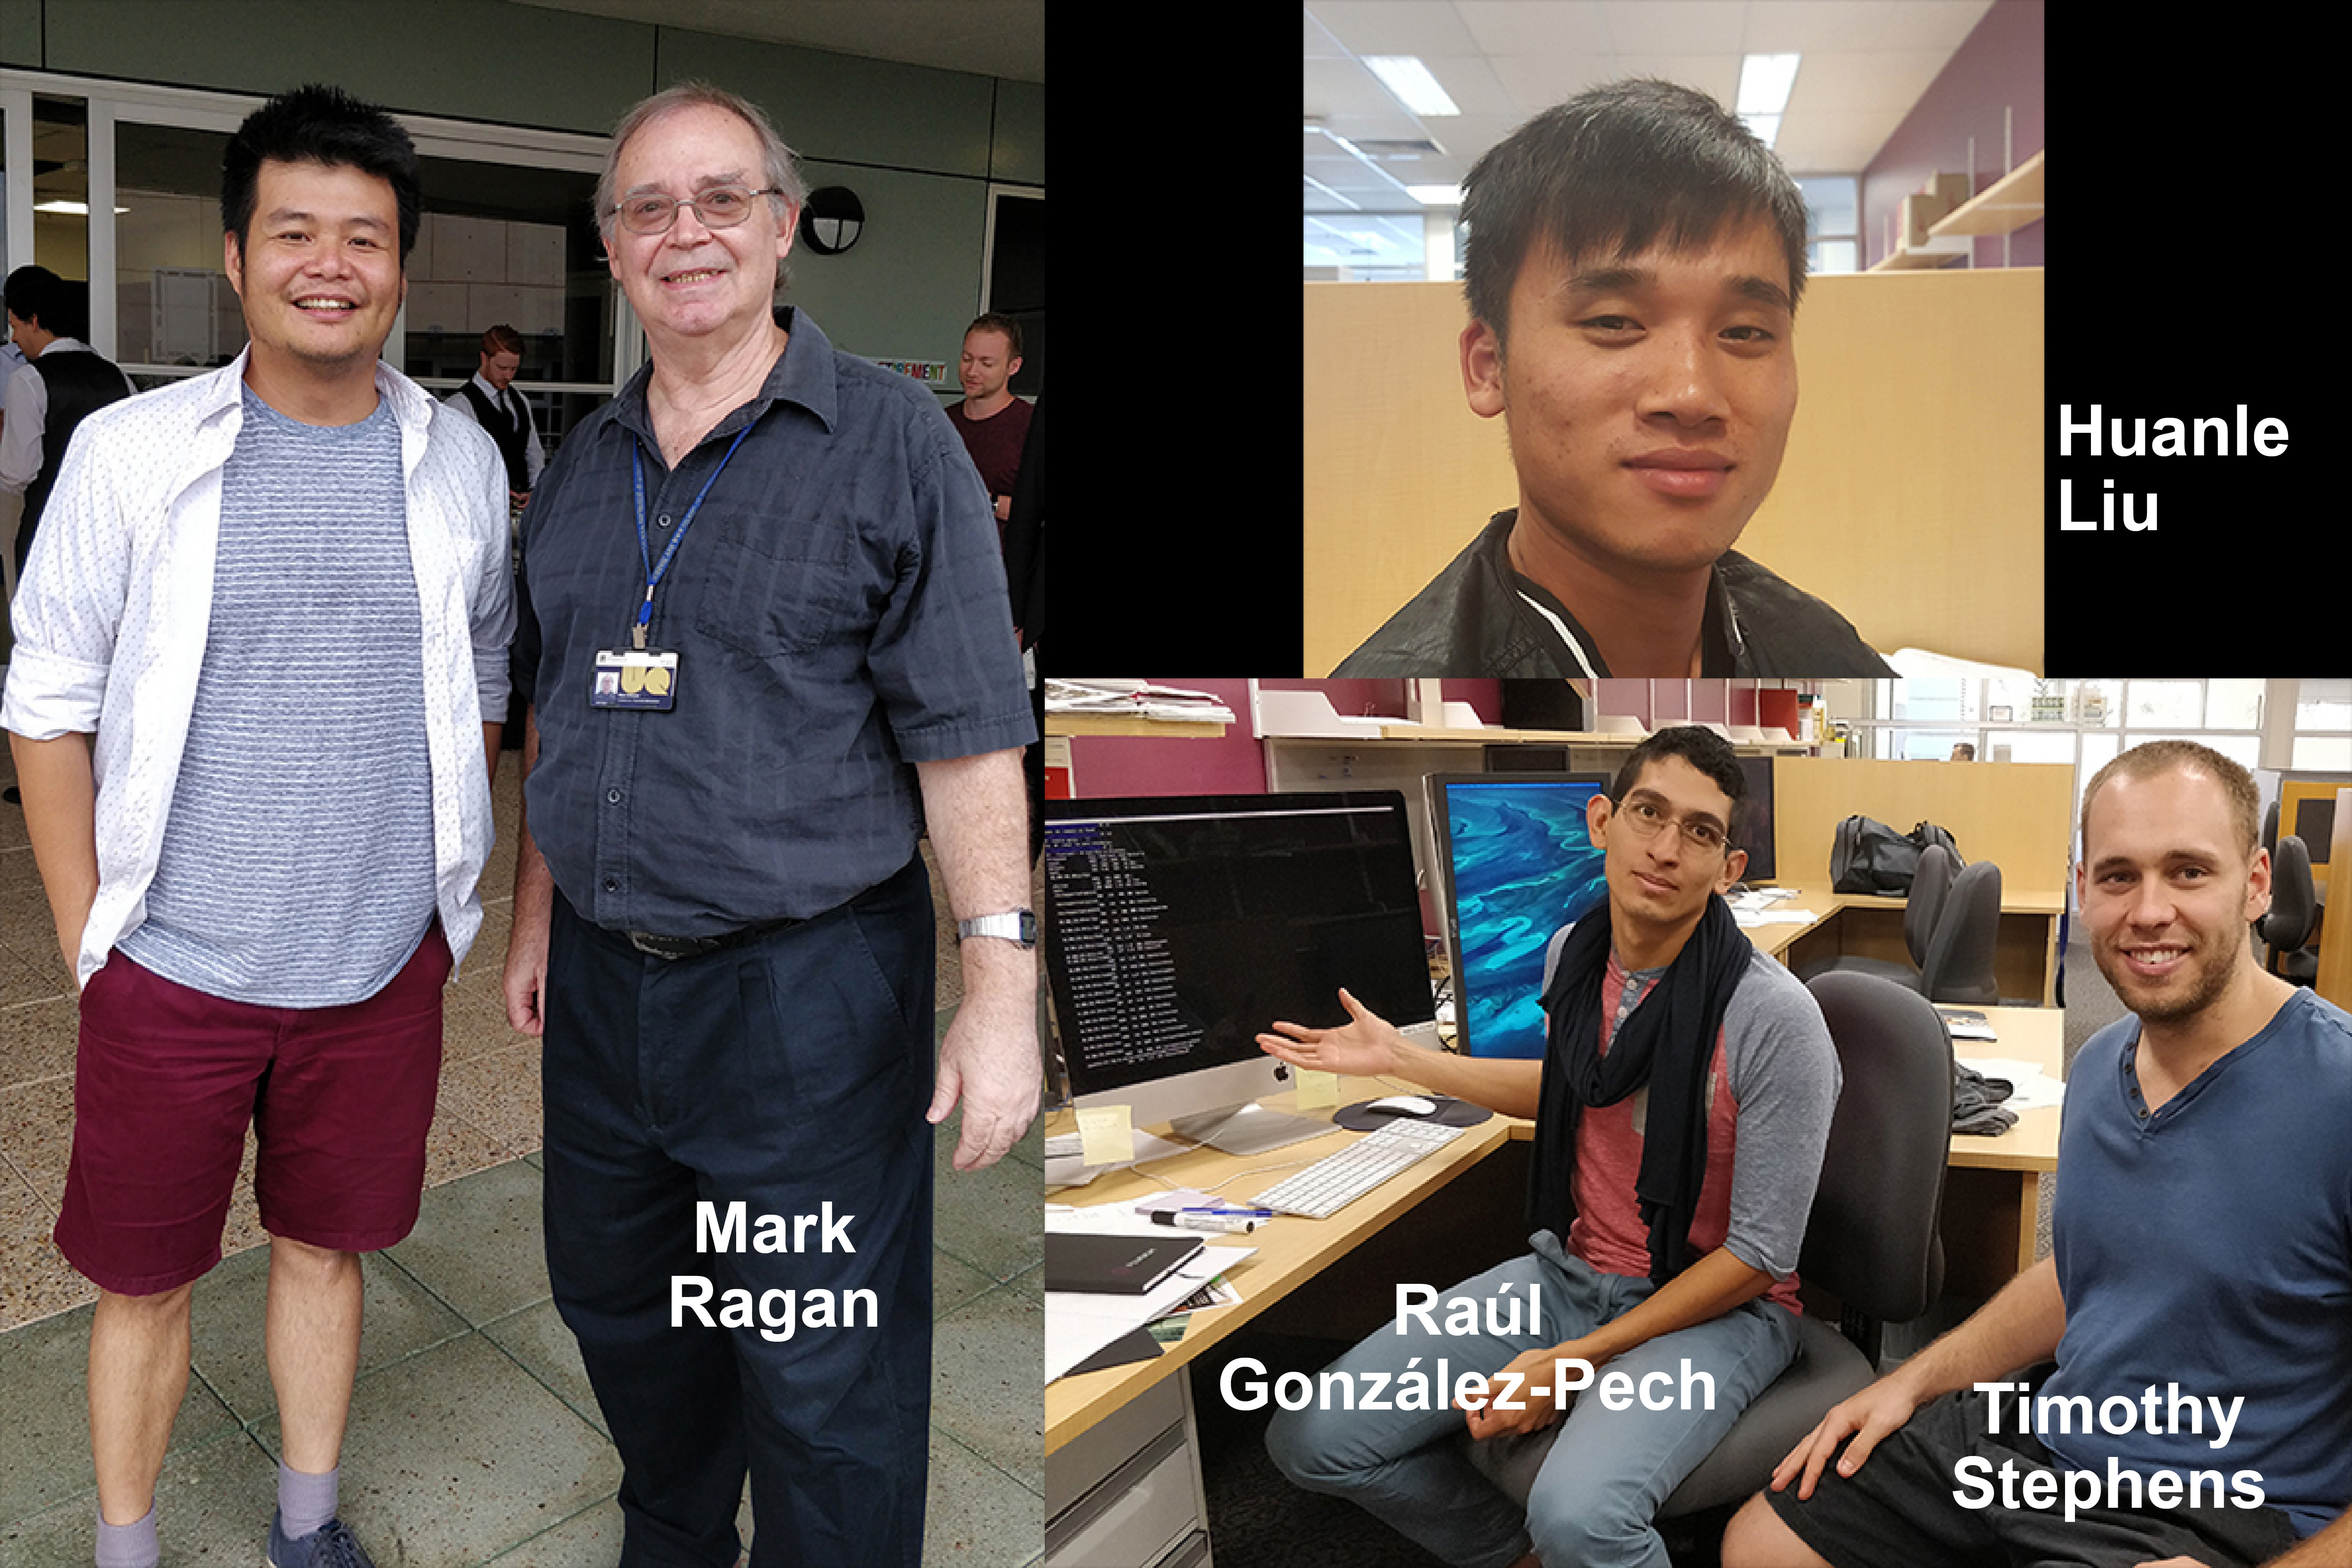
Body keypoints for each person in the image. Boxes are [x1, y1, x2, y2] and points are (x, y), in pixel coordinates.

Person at [500, 81, 1037, 1568]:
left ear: (783, 225)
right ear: (613, 248)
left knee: (814, 1354)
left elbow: (969, 729)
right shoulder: (581, 469)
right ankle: (675, 1541)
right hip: (610, 993)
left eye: (721, 198)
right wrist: (541, 912)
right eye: (650, 208)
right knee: (625, 1299)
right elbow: (562, 697)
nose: (687, 233)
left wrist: (998, 987)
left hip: (803, 996)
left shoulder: (889, 445)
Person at [0, 83, 513, 1568]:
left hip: (374, 966)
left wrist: (438, 889)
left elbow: (479, 673)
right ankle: (126, 1546)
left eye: (364, 236)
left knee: (323, 1251)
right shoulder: (137, 455)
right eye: (294, 231)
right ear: (236, 256)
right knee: (143, 1281)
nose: (329, 263)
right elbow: (46, 698)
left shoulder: (456, 462)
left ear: (402, 263)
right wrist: (90, 930)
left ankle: (306, 1521)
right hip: (171, 963)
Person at [1724, 740, 2352, 1568]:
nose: (2151, 910)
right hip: (2054, 1443)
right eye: (2120, 875)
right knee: (1764, 1541)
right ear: (2084, 886)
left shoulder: (2335, 1091)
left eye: (2190, 871)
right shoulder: (2099, 1065)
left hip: (2219, 1503)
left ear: (2257, 883)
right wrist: (1912, 1381)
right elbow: (2086, 1271)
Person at [1257, 725, 1841, 1568]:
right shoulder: (1577, 953)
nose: (1667, 848)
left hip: (1719, 1306)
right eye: (1649, 812)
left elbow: (1758, 1254)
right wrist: (1404, 1059)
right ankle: (1513, 1555)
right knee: (1313, 1436)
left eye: (1702, 831)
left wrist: (1571, 1362)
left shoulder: (1775, 1020)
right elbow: (1576, 1090)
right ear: (1603, 820)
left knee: (1581, 1516)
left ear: (1729, 869)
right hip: (1569, 1273)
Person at [1331, 79, 1893, 679]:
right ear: (1489, 367)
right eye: (1613, 322)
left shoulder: (1831, 658)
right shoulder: (1385, 709)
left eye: (1744, 332)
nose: (1691, 395)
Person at [0, 263, 137, 575]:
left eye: (16, 326)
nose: (14, 338)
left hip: (45, 533)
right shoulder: (119, 378)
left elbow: (16, 473)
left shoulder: (29, 380)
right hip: (109, 536)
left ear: (34, 321)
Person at [440, 321, 542, 513]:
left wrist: (535, 490)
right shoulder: (459, 406)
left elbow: (533, 451)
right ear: (484, 359)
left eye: (513, 369)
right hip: (480, 512)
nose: (508, 376)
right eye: (502, 368)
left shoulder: (520, 401)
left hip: (522, 510)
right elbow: (457, 467)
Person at [945, 311, 1031, 534]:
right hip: (942, 561)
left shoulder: (1031, 427)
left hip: (1003, 563)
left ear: (1014, 367)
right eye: (967, 359)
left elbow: (1036, 512)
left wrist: (986, 501)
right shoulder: (940, 423)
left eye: (987, 363)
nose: (972, 372)